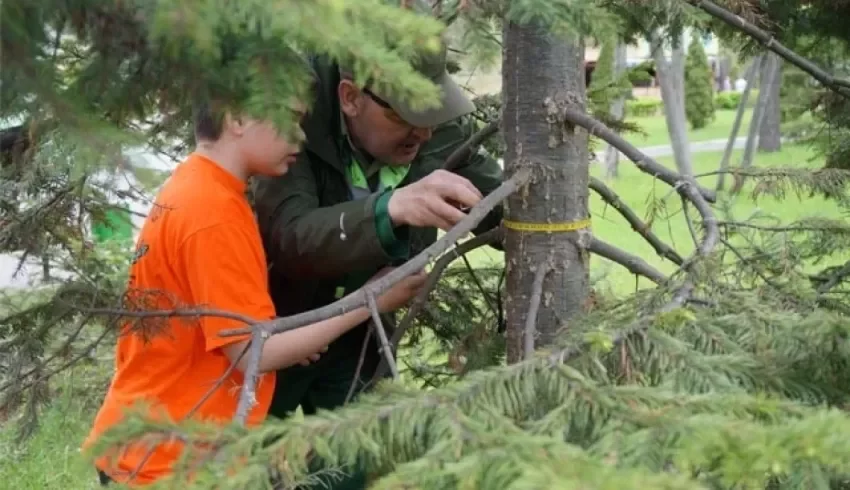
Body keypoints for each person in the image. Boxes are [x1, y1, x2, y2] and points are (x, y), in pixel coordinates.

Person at [81, 98, 428, 487]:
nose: (300, 133)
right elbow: (252, 350)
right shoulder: (213, 213)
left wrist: (282, 331)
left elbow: (224, 314)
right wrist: (371, 299)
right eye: (292, 117)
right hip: (168, 466)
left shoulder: (200, 187)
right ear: (238, 118)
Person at [251, 29, 504, 490]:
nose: (424, 133)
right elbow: (289, 234)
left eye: (433, 114)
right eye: (407, 116)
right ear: (350, 98)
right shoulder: (290, 113)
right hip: (276, 332)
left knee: (354, 466)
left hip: (364, 336)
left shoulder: (436, 126)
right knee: (251, 471)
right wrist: (391, 209)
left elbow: (500, 205)